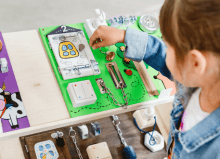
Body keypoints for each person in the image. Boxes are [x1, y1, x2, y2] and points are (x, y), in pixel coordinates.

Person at [89, 0, 220, 158]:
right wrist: (124, 36)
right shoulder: (203, 77)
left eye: (168, 44)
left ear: (196, 63)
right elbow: (167, 58)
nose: (166, 48)